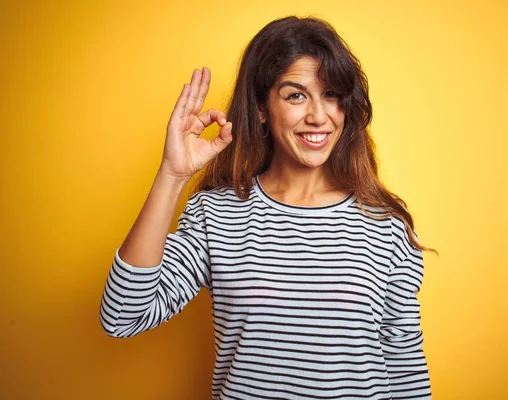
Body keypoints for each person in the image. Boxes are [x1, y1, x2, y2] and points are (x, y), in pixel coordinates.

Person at [100, 15, 433, 400]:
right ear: (261, 107)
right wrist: (173, 175)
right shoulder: (217, 215)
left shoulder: (385, 226)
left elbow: (405, 369)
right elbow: (122, 317)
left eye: (331, 95)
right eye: (296, 95)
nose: (318, 116)